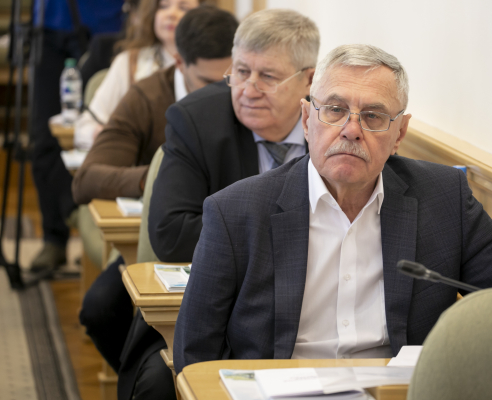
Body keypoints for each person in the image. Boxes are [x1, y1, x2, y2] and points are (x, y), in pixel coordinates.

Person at [173, 44, 492, 372]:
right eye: (334, 110)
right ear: (307, 120)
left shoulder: (443, 198)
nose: (351, 129)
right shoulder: (236, 211)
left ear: (399, 133)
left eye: (373, 116)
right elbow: (196, 352)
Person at [73, 7, 237, 400]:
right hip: (164, 239)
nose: (223, 94)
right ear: (179, 63)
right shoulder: (147, 94)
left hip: (225, 247)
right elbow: (87, 178)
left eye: (230, 79)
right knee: (100, 309)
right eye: (208, 82)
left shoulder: (246, 103)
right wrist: (166, 177)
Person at [148, 8, 319, 261]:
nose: (248, 91)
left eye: (268, 76)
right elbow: (171, 235)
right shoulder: (197, 120)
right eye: (241, 72)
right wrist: (291, 232)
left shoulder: (334, 126)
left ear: (309, 80)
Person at [28, 0, 124, 272]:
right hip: (47, 25)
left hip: (105, 25)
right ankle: (53, 238)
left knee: (102, 137)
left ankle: (95, 238)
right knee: (44, 139)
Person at [73, 0, 200, 150]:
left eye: (184, 8)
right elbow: (85, 127)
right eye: (163, 6)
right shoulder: (129, 62)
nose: (171, 14)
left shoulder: (211, 66)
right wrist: (109, 137)